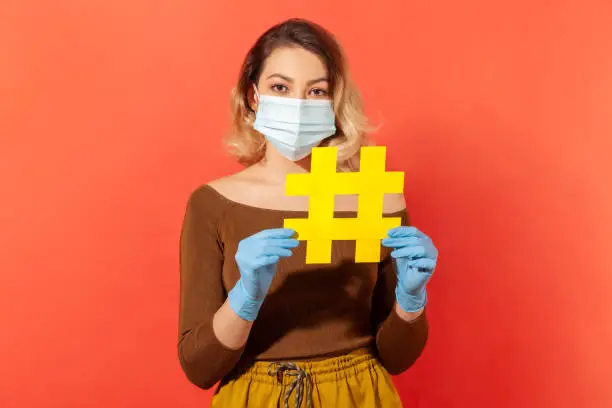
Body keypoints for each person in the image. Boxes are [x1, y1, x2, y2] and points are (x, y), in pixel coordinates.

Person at [178, 18, 438, 408]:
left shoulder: (377, 198)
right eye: (280, 87)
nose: (298, 105)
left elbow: (398, 359)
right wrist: (244, 299)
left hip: (359, 397)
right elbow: (199, 368)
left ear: (335, 104)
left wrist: (412, 300)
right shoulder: (214, 203)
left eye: (317, 91)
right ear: (253, 96)